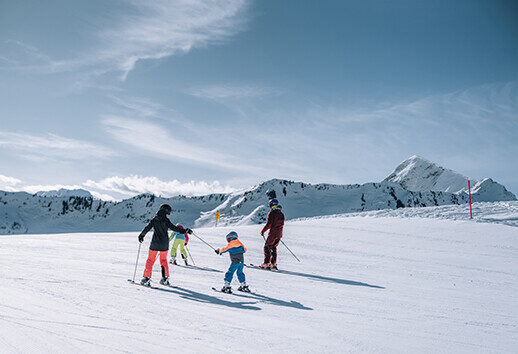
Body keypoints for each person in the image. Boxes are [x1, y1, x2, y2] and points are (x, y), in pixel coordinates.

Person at [138, 204, 192, 286]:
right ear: (166, 211)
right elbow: (174, 228)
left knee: (150, 260)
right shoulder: (166, 220)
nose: (168, 214)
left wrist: (141, 235)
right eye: (168, 212)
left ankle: (146, 278)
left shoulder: (154, 219)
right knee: (163, 261)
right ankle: (165, 278)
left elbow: (147, 228)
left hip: (155, 244)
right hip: (164, 244)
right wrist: (185, 231)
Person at [260, 198, 285, 270]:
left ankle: (266, 263)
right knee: (273, 247)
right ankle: (273, 264)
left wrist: (263, 231)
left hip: (273, 234)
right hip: (279, 234)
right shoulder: (281, 213)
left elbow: (269, 224)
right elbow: (281, 224)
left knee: (267, 247)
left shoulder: (272, 213)